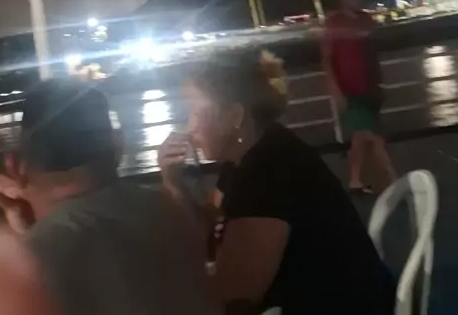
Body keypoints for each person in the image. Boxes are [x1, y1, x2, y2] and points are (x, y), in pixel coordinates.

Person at [159, 49, 395, 315]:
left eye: (195, 112)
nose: (189, 128)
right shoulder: (255, 152)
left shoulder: (267, 171)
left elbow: (234, 297)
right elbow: (215, 233)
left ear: (235, 116)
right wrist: (176, 187)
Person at [0, 78, 220, 315]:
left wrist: (23, 246)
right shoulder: (174, 215)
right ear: (119, 146)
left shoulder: (16, 273)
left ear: (14, 165)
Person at [322, 0, 396, 193]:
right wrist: (334, 88)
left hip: (369, 86)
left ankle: (355, 181)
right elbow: (327, 58)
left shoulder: (366, 19)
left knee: (360, 137)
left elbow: (372, 52)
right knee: (373, 135)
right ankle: (393, 180)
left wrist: (380, 83)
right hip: (349, 88)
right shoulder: (333, 23)